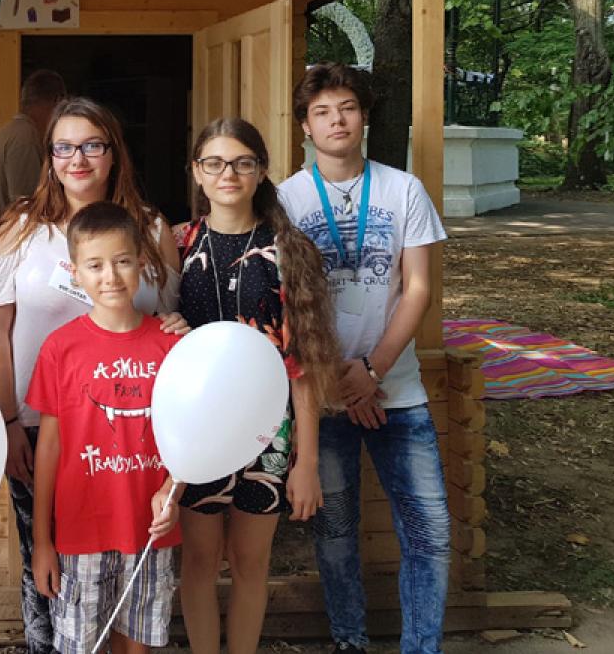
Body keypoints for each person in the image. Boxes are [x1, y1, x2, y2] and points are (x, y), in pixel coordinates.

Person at [0, 96, 184, 654]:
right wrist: (7, 422)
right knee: (45, 566)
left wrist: (177, 327)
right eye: (64, 147)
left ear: (114, 153)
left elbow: (166, 320)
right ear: (48, 156)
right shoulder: (20, 228)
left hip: (131, 433)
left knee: (130, 570)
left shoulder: (150, 229)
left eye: (92, 145)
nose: (78, 159)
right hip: (38, 426)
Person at [279, 63, 449, 654]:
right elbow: (285, 302)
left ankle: (422, 647)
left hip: (397, 389)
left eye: (347, 108)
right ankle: (350, 640)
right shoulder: (285, 199)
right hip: (322, 397)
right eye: (322, 112)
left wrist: (372, 371)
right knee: (335, 534)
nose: (337, 121)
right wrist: (337, 381)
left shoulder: (405, 189)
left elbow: (419, 288)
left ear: (365, 116)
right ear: (305, 126)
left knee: (430, 533)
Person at [174, 118, 340, 654]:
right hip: (195, 432)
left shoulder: (288, 250)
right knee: (199, 561)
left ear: (262, 171)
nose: (229, 173)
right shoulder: (175, 245)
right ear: (197, 172)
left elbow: (305, 364)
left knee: (251, 562)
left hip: (268, 435)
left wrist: (306, 462)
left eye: (242, 162)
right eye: (215, 163)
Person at [27, 201, 182, 654]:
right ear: (75, 273)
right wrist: (42, 540)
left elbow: (188, 439)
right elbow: (49, 448)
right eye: (95, 265)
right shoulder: (60, 349)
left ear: (142, 263)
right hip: (80, 536)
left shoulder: (169, 346)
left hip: (149, 534)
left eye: (123, 261)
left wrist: (173, 491)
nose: (110, 276)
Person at [0, 68, 67, 222]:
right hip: (18, 232)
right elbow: (26, 203)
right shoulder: (26, 137)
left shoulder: (8, 132)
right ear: (57, 101)